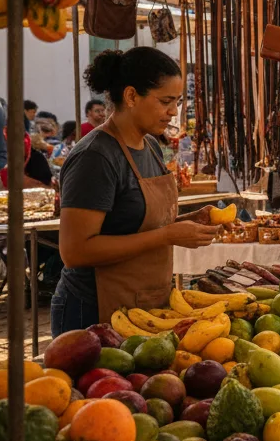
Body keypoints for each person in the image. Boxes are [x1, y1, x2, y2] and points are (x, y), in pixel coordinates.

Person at [53, 48, 219, 335]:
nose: (173, 112)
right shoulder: (96, 157)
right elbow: (75, 251)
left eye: (177, 102)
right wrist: (168, 235)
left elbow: (132, 224)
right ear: (131, 96)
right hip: (93, 309)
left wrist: (188, 222)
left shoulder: (151, 146)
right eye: (166, 101)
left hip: (145, 305)